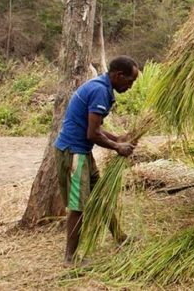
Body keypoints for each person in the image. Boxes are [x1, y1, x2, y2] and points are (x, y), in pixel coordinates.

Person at [54, 56, 139, 264]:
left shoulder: (102, 87)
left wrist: (117, 138)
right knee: (78, 206)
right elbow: (92, 134)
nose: (130, 86)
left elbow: (95, 128)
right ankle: (70, 258)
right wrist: (118, 147)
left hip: (82, 152)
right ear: (118, 75)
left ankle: (119, 236)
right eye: (129, 81)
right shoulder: (100, 91)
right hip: (74, 153)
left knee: (101, 194)